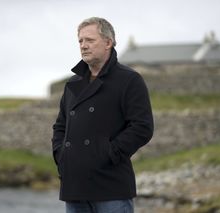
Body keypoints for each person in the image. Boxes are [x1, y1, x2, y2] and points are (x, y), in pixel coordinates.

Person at [51, 17, 154, 213]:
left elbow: (142, 127)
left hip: (111, 186)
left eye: (90, 40)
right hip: (75, 187)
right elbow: (60, 126)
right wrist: (61, 156)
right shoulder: (73, 83)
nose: (83, 46)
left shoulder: (129, 80)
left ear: (108, 42)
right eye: (80, 41)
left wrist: (108, 153)